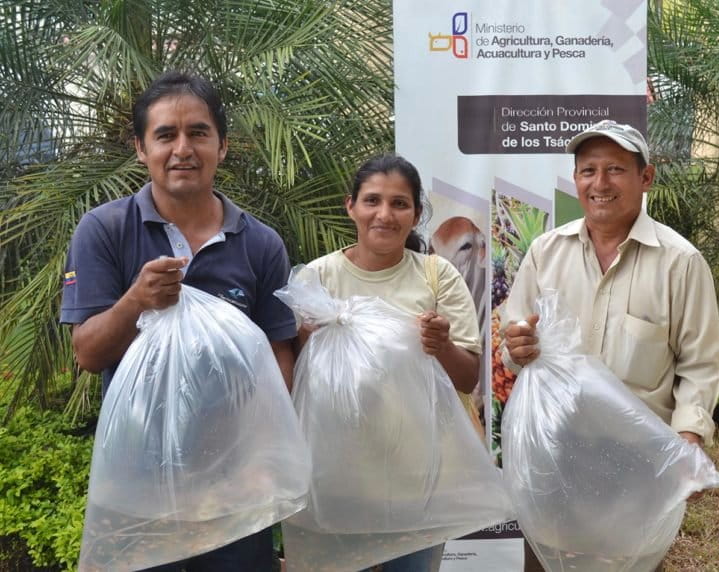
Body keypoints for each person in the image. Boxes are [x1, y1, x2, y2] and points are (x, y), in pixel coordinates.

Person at [60, 71, 296, 571]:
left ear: (223, 146)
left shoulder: (260, 243)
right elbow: (88, 353)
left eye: (198, 133)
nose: (182, 148)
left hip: (233, 483)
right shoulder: (105, 230)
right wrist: (137, 301)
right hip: (138, 482)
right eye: (165, 135)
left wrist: (263, 459)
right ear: (142, 149)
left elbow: (278, 354)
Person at [501, 119, 719, 572]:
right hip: (557, 454)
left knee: (630, 562)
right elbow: (513, 343)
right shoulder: (546, 252)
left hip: (636, 461)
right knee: (545, 562)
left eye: (615, 170)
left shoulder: (680, 262)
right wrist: (518, 346)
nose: (599, 184)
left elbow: (700, 363)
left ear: (645, 177)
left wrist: (688, 438)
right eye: (588, 170)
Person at [303, 153, 482, 571]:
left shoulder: (437, 276)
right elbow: (295, 376)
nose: (384, 214)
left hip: (417, 482)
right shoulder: (318, 278)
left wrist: (442, 346)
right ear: (351, 206)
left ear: (417, 213)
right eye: (372, 201)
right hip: (340, 479)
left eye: (399, 204)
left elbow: (469, 375)